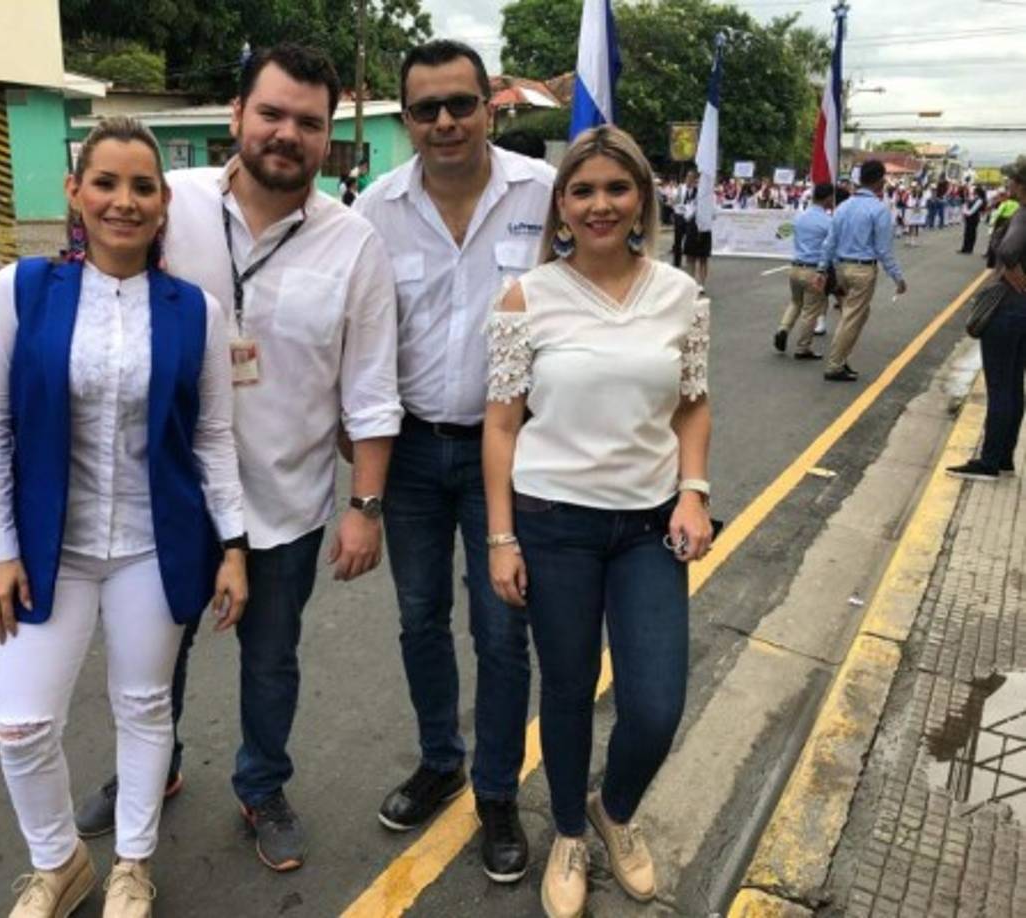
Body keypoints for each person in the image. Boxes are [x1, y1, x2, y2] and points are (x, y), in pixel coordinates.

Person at [73, 44, 403, 873]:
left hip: (287, 501)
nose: (286, 134)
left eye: (308, 122)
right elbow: (96, 288)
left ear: (329, 139)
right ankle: (153, 766)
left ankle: (262, 786)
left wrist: (364, 508)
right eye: (272, 114)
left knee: (271, 660)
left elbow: (369, 390)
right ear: (236, 116)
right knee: (152, 656)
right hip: (169, 498)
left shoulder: (354, 245)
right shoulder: (169, 202)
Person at [0, 115, 248, 918]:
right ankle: (58, 862)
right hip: (51, 550)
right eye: (107, 183)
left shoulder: (196, 312)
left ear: (162, 206)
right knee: (19, 725)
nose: (124, 201)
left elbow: (214, 438)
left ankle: (131, 863)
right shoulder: (22, 292)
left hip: (155, 547)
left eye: (142, 187)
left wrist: (232, 543)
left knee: (146, 705)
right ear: (75, 193)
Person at [482, 124, 712, 918]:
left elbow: (692, 403)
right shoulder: (526, 297)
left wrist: (693, 491)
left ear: (642, 198)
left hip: (649, 526)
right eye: (581, 191)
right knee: (570, 687)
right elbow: (502, 425)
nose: (600, 204)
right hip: (553, 523)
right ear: (560, 206)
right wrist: (501, 537)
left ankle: (615, 811)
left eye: (617, 188)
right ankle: (570, 833)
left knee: (655, 702)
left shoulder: (680, 294)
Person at [353, 38, 554, 884]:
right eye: (425, 108)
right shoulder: (373, 208)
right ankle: (441, 757)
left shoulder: (545, 195)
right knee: (418, 618)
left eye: (459, 104)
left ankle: (496, 792)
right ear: (406, 119)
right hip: (408, 458)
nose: (443, 122)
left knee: (503, 631)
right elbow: (356, 340)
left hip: (508, 457)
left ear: (489, 105)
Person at [947, 156, 1026, 481]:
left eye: (1012, 183)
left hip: (1007, 308)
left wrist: (1010, 268)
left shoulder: (1023, 214)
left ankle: (990, 460)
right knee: (1014, 384)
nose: (1008, 188)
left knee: (1000, 386)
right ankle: (1005, 455)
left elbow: (1006, 250)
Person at [815, 158, 907, 382]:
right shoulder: (878, 209)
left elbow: (830, 242)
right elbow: (883, 250)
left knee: (857, 314)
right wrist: (898, 277)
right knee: (852, 317)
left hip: (841, 267)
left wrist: (821, 269)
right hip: (862, 270)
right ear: (879, 181)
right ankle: (835, 364)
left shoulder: (843, 206)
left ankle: (841, 358)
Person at [774, 182, 833, 360]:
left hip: (795, 267)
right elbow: (831, 248)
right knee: (810, 310)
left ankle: (783, 328)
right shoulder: (828, 221)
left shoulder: (799, 216)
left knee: (795, 302)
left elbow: (780, 233)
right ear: (828, 198)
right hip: (814, 270)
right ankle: (803, 347)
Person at [671, 170, 696, 269]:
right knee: (678, 240)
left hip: (689, 218)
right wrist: (677, 207)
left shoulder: (696, 190)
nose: (689, 180)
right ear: (686, 178)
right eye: (688, 178)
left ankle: (689, 261)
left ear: (694, 180)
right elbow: (674, 201)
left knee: (689, 241)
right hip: (680, 216)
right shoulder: (680, 188)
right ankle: (677, 263)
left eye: (692, 178)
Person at [959, 185, 987, 255]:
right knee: (967, 233)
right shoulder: (975, 199)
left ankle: (969, 249)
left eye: (974, 191)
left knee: (971, 233)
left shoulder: (979, 200)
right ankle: (965, 248)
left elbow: (973, 210)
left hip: (973, 218)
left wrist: (965, 211)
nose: (973, 192)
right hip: (970, 218)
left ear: (977, 192)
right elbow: (968, 206)